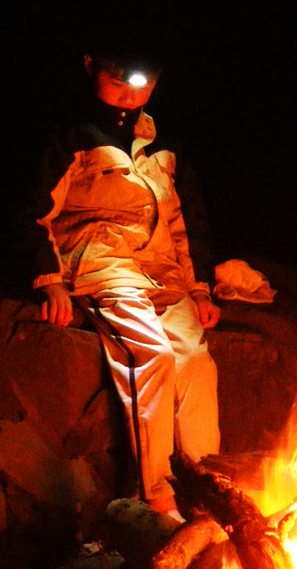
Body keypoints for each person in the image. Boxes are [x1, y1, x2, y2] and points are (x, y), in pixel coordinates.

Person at [19, 43, 221, 519]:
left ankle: (211, 491)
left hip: (160, 267)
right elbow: (31, 211)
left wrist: (200, 288)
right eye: (117, 83)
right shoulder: (69, 134)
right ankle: (158, 495)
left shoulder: (164, 140)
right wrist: (47, 278)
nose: (130, 96)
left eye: (142, 85)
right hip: (100, 261)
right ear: (90, 66)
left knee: (195, 359)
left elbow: (185, 220)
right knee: (151, 353)